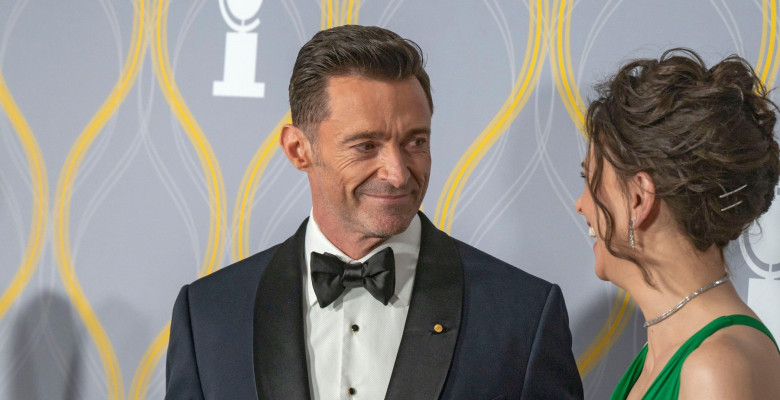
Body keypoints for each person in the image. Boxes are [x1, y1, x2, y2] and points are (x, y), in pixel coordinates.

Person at [165, 25, 583, 400]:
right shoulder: (208, 314)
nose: (399, 174)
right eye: (366, 146)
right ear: (298, 149)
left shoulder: (522, 314)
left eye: (415, 142)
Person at [575, 48, 780, 399]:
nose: (581, 205)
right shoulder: (659, 356)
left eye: (591, 181)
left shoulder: (715, 368)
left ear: (638, 199)